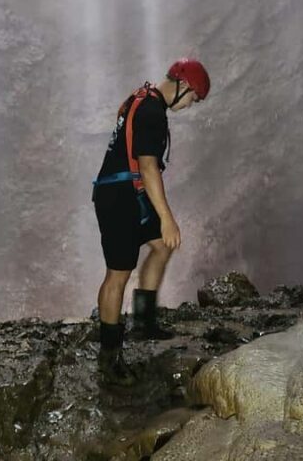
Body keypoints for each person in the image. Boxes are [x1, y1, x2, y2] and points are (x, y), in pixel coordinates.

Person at [91, 58, 211, 385]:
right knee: (118, 274)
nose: (189, 106)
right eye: (193, 98)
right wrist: (167, 217)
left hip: (129, 190)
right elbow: (148, 167)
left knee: (160, 246)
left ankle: (143, 323)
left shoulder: (141, 98)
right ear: (183, 85)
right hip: (119, 196)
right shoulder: (153, 112)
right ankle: (110, 359)